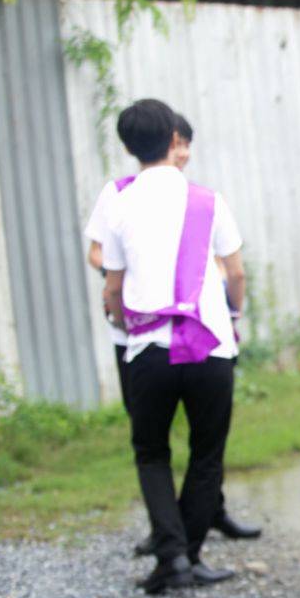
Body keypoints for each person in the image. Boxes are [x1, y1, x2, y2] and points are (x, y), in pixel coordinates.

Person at [84, 112, 261, 557]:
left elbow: (112, 283)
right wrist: (233, 311)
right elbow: (236, 272)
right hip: (211, 345)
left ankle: (171, 557)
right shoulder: (207, 200)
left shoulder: (119, 201)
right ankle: (191, 553)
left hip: (148, 348)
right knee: (206, 454)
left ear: (129, 147)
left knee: (151, 453)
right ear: (174, 140)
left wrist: (126, 326)